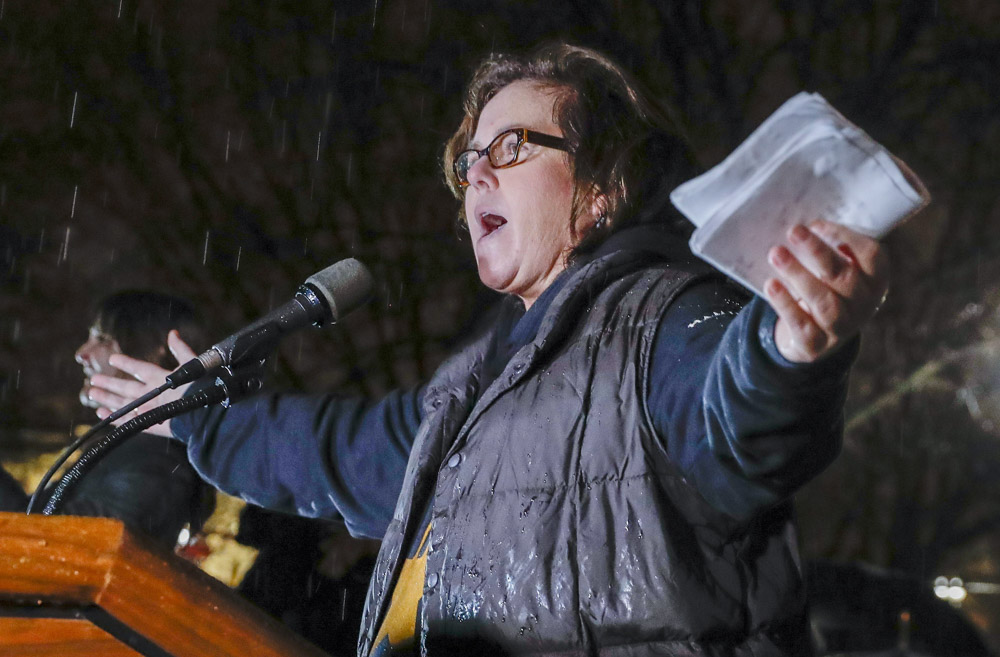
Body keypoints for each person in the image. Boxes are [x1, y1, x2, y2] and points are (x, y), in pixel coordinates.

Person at [89, 43, 891, 656]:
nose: (476, 177)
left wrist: (790, 345)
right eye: (469, 161)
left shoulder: (670, 317)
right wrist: (189, 416)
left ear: (602, 185)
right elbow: (338, 452)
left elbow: (738, 405)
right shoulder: (472, 385)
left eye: (511, 148)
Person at [0, 291, 215, 551]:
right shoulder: (132, 449)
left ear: (156, 353)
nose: (81, 353)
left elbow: (47, 545)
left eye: (103, 339)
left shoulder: (157, 462)